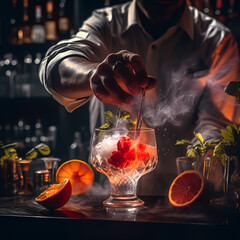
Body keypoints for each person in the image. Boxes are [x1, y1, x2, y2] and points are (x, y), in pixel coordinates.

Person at [39, 0, 240, 196]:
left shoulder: (216, 39)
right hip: (108, 199)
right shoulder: (106, 23)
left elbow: (215, 124)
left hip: (180, 198)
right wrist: (93, 75)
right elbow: (55, 64)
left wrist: (197, 179)